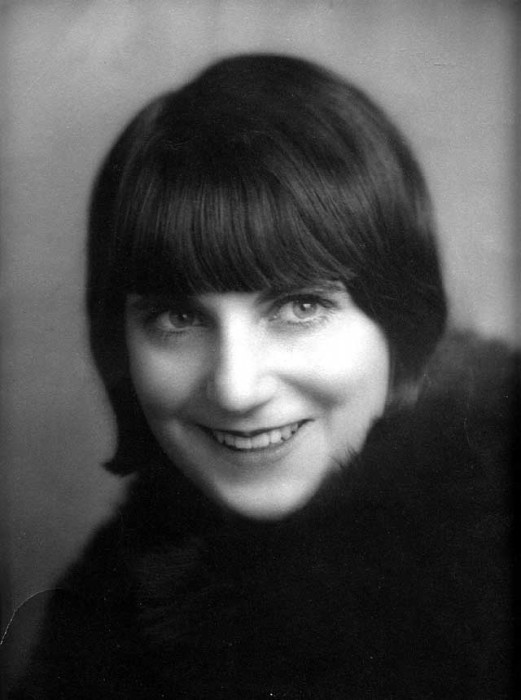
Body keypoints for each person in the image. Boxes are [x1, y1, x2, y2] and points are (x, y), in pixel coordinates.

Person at [11, 53, 516, 698]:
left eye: (300, 307)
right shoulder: (103, 616)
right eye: (178, 317)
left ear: (402, 323)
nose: (235, 388)